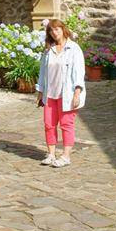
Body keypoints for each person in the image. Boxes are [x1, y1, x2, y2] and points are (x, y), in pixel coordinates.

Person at [36, 18, 86, 168]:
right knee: (49, 124)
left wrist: (77, 93)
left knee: (66, 124)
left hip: (67, 94)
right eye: (51, 30)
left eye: (57, 29)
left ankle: (65, 156)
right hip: (50, 93)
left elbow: (79, 72)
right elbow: (43, 72)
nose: (54, 32)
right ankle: (51, 154)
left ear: (63, 30)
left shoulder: (74, 49)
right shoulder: (48, 50)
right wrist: (40, 92)